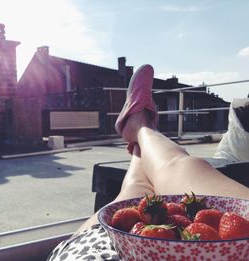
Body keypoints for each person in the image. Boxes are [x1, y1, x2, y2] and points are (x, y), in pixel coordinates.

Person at [47, 65, 249, 261]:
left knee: (151, 180)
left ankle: (140, 130)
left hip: (99, 250)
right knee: (171, 171)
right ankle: (140, 133)